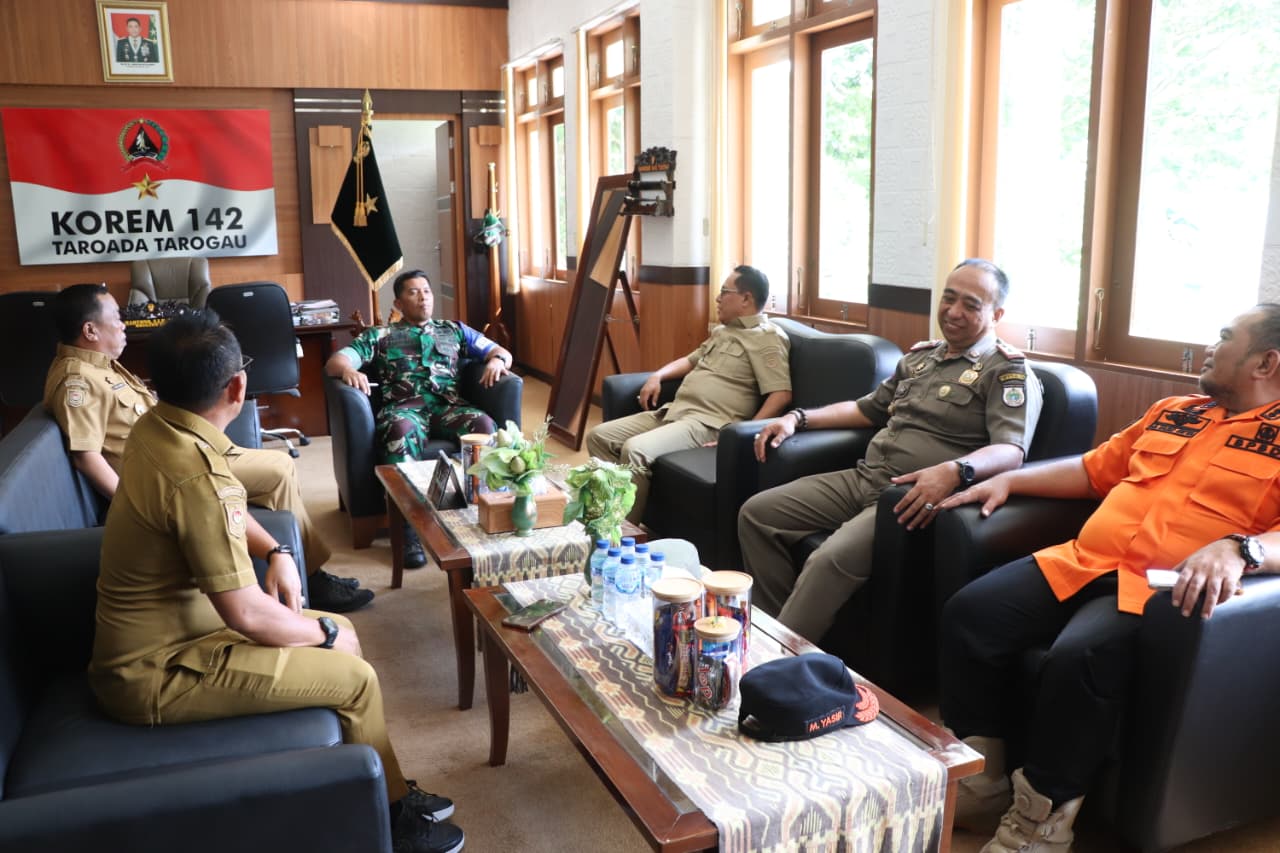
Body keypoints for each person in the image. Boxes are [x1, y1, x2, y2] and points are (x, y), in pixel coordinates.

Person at [90, 310, 465, 853]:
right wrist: (324, 636)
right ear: (237, 387)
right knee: (354, 674)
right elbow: (246, 613)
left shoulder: (159, 426)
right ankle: (392, 820)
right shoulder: (194, 473)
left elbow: (224, 512)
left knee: (343, 632)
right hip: (158, 671)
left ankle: (380, 789)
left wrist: (278, 550)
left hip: (182, 630)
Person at [932, 303, 1280, 853]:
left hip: (1155, 589)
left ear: (1265, 362)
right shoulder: (1175, 411)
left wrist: (1243, 548)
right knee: (971, 614)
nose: (1209, 347)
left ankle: (1041, 822)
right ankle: (984, 783)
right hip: (1085, 559)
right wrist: (1013, 482)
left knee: (1079, 658)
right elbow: (1094, 469)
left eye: (1223, 336)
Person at [738, 258, 1042, 643]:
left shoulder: (1007, 371)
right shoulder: (921, 358)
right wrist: (797, 419)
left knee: (828, 559)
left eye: (970, 304)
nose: (953, 311)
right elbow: (866, 410)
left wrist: (955, 470)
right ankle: (778, 633)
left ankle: (777, 657)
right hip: (865, 477)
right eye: (948, 298)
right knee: (757, 515)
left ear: (996, 314)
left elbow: (1010, 450)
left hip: (909, 498)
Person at [43, 283, 372, 613]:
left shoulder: (100, 366)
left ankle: (306, 570)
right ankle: (311, 578)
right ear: (90, 330)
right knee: (278, 470)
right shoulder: (77, 380)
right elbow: (86, 457)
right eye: (116, 317)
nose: (123, 324)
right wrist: (131, 504)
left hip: (182, 449)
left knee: (278, 465)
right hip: (166, 472)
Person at [325, 269, 513, 567]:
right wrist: (349, 370)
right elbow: (335, 361)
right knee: (399, 431)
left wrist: (497, 361)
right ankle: (408, 530)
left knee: (484, 426)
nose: (423, 297)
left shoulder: (454, 330)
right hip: (404, 408)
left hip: (448, 407)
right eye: (413, 292)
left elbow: (500, 351)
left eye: (426, 291)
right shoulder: (379, 335)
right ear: (398, 304)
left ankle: (484, 510)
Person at [585, 264, 792, 522]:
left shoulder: (768, 338)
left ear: (746, 299)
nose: (717, 298)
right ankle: (608, 515)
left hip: (707, 423)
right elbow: (690, 361)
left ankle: (622, 535)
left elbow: (781, 394)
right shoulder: (723, 331)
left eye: (724, 292)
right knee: (599, 437)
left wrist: (741, 435)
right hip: (675, 411)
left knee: (635, 450)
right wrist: (657, 376)